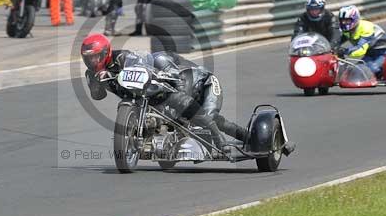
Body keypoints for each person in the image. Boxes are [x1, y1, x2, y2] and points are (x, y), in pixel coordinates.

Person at [81, 33, 270, 151]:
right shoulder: (92, 73)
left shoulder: (126, 58)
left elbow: (150, 72)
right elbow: (98, 96)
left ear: (106, 52)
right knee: (174, 113)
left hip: (205, 85)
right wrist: (99, 80)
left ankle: (220, 141)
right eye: (88, 58)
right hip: (172, 94)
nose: (92, 61)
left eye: (96, 56)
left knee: (207, 118)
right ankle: (245, 136)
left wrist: (159, 80)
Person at [337, 5, 386, 77]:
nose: (344, 23)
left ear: (355, 19)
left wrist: (345, 51)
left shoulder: (366, 28)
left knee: (372, 68)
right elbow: (336, 42)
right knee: (356, 71)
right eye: (342, 20)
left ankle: (384, 73)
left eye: (347, 20)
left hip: (383, 52)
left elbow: (361, 49)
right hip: (369, 53)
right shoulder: (345, 30)